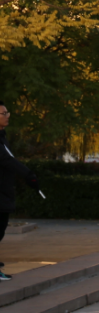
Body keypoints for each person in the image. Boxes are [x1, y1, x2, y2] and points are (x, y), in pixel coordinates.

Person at [0, 101, 40, 281]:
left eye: (7, 112)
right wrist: (28, 174)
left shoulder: (3, 136)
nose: (7, 116)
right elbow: (7, 160)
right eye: (3, 113)